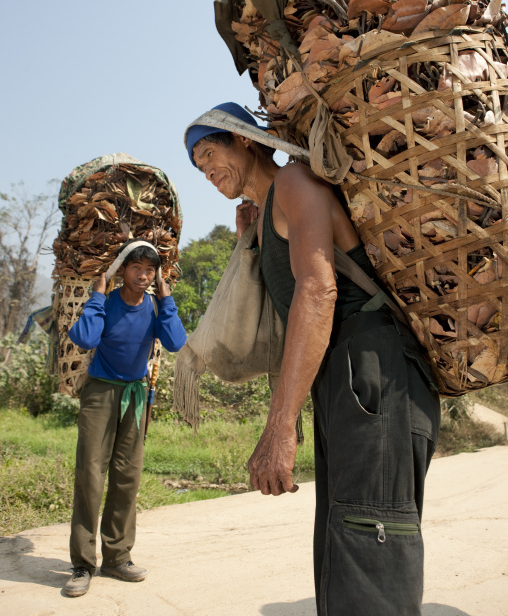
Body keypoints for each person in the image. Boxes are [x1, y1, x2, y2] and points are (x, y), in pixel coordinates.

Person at [184, 102, 441, 616]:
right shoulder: (263, 218)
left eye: (211, 151)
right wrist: (248, 243)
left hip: (374, 373)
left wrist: (281, 425)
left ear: (246, 139)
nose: (207, 169)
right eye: (198, 164)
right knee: (344, 541)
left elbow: (319, 292)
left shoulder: (296, 183)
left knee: (372, 541)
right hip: (344, 380)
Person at [64, 240, 186, 598]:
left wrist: (167, 301)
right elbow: (84, 337)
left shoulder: (153, 305)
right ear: (123, 270)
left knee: (127, 478)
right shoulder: (109, 302)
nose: (144, 276)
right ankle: (82, 565)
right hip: (101, 393)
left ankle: (117, 558)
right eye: (137, 268)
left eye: (150, 270)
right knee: (89, 475)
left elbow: (176, 341)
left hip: (135, 395)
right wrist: (99, 295)